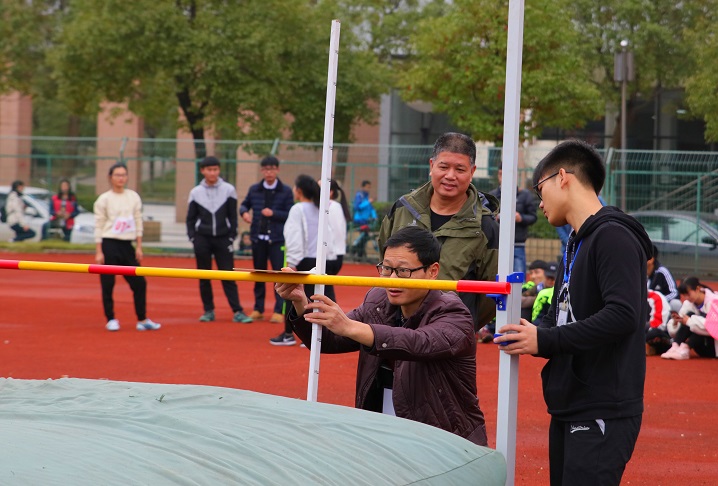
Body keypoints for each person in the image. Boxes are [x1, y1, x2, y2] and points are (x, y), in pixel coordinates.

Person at [495, 139, 652, 485]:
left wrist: (547, 339)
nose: (539, 202)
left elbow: (624, 315)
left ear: (562, 177)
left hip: (602, 404)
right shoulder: (576, 241)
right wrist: (531, 331)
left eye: (540, 189)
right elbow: (561, 313)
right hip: (572, 401)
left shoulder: (613, 237)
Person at [276, 226, 488, 446]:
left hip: (445, 439)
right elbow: (327, 340)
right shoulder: (378, 301)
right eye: (386, 269)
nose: (392, 279)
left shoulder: (454, 313)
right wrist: (300, 301)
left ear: (433, 271)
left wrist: (350, 326)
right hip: (382, 431)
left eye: (403, 271)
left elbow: (419, 342)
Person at [378, 132, 499, 331]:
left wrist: (463, 323)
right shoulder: (402, 209)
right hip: (398, 328)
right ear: (431, 165)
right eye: (443, 167)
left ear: (472, 172)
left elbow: (491, 292)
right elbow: (386, 261)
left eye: (460, 169)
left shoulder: (484, 226)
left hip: (449, 334)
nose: (450, 176)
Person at [94, 163, 161, 332]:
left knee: (140, 283)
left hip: (127, 245)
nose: (121, 178)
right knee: (108, 283)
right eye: (117, 175)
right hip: (109, 243)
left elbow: (138, 220)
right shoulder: (104, 199)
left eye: (124, 175)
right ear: (110, 177)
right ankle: (110, 319)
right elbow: (99, 224)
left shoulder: (133, 197)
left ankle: (142, 319)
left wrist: (139, 246)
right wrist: (99, 250)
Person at [269, 174, 335, 346]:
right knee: (318, 298)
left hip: (303, 259)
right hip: (320, 259)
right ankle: (316, 335)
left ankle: (288, 334)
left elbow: (294, 236)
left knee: (293, 296)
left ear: (298, 191)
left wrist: (291, 262)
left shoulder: (297, 209)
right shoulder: (320, 208)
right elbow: (329, 233)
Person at [187, 156, 253, 324]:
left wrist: (231, 236)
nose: (212, 173)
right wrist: (193, 237)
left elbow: (233, 216)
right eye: (209, 170)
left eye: (215, 169)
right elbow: (190, 218)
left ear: (219, 170)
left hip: (223, 239)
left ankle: (237, 311)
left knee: (228, 275)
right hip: (202, 239)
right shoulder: (195, 192)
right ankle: (208, 310)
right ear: (202, 171)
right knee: (204, 276)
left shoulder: (228, 189)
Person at [239, 156, 294, 323]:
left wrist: (274, 213)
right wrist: (244, 213)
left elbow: (290, 213)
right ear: (262, 171)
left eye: (272, 169)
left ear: (277, 170)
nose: (269, 172)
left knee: (279, 275)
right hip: (258, 239)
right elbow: (244, 204)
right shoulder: (254, 189)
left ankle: (278, 310)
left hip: (277, 240)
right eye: (266, 169)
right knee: (259, 274)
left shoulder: (285, 191)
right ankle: (258, 308)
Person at [489, 168, 538, 276]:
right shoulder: (492, 196)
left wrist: (521, 218)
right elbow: (485, 217)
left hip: (517, 243)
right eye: (501, 174)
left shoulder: (524, 195)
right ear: (498, 175)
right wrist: (494, 218)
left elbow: (533, 217)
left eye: (507, 174)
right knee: (495, 277)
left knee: (518, 278)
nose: (503, 177)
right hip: (497, 245)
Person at [661, 277, 716, 360]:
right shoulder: (688, 304)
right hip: (700, 347)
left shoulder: (714, 301)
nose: (686, 297)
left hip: (714, 348)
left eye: (688, 294)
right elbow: (674, 333)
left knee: (692, 319)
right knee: (689, 316)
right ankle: (675, 346)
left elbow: (714, 327)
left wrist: (689, 321)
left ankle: (686, 347)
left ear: (698, 289)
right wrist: (676, 322)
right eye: (684, 295)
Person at [324, 179, 349, 302]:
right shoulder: (326, 206)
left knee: (325, 289)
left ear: (330, 192)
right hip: (329, 254)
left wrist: (332, 254)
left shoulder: (333, 207)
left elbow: (337, 232)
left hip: (332, 256)